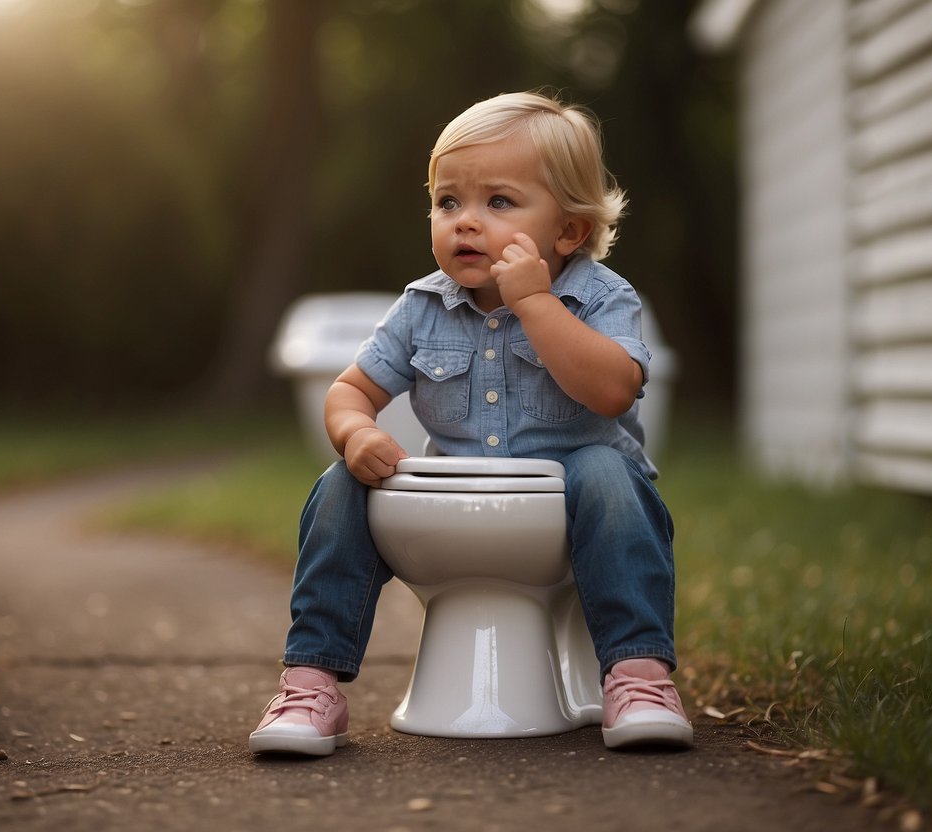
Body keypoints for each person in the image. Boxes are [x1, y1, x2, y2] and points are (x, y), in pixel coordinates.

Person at [249, 91, 691, 756]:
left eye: (499, 202)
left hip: (578, 491)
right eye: (448, 201)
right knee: (338, 484)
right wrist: (356, 432)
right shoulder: (422, 307)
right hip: (457, 488)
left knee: (608, 471)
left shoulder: (602, 296)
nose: (465, 222)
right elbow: (349, 389)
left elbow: (611, 390)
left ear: (567, 232)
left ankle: (636, 674)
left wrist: (536, 302)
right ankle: (311, 683)